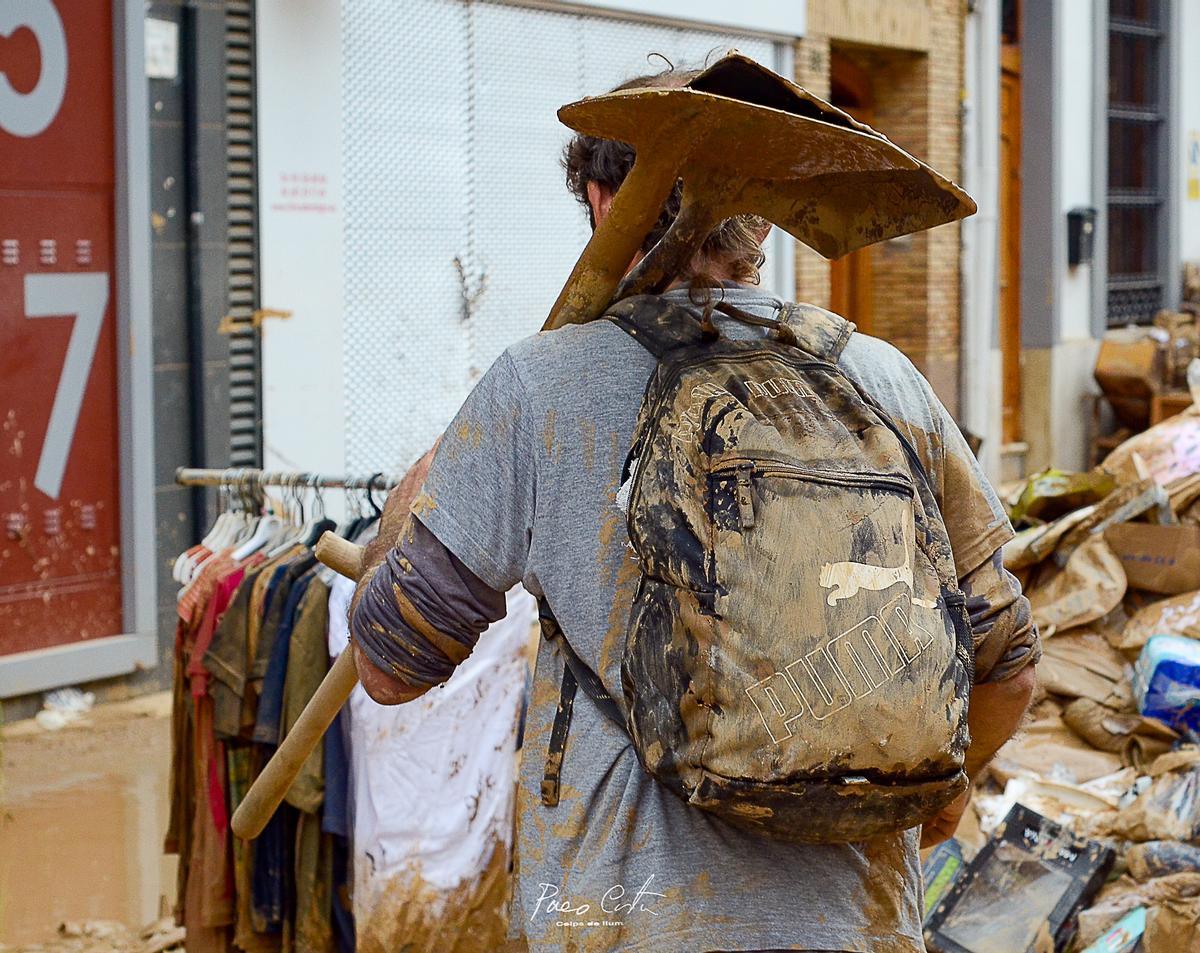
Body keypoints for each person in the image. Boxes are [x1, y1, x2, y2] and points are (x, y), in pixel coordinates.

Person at [348, 66, 1039, 953]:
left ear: (604, 201)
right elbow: (1009, 665)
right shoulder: (880, 376)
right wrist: (925, 789)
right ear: (765, 222)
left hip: (620, 923)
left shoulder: (538, 387)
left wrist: (431, 481)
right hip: (857, 926)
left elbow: (389, 665)